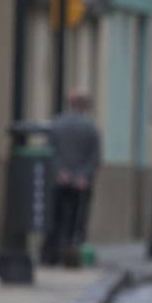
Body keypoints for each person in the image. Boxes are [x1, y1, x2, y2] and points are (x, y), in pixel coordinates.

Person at [42, 90, 101, 267]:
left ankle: (51, 254)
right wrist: (83, 175)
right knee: (78, 220)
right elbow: (94, 156)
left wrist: (60, 172)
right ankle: (72, 256)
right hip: (80, 183)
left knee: (56, 217)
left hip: (60, 181)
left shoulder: (57, 124)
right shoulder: (91, 127)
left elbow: (50, 151)